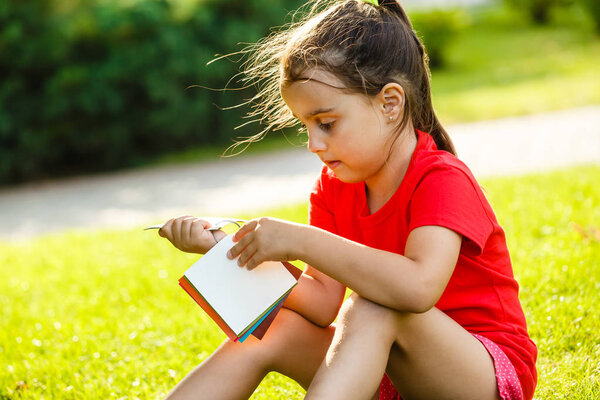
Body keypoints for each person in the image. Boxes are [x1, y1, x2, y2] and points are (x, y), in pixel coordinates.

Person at [157, 0, 537, 399]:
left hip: (484, 377)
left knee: (373, 304)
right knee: (270, 328)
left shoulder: (441, 177)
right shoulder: (334, 187)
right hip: (384, 367)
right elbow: (321, 302)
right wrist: (226, 248)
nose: (313, 144)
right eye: (306, 126)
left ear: (390, 103)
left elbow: (417, 289)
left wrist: (301, 240)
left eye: (326, 124)